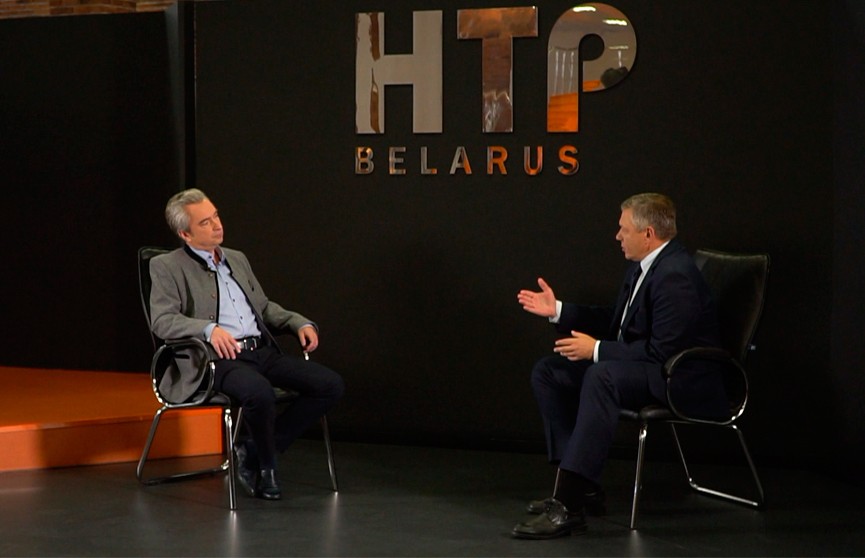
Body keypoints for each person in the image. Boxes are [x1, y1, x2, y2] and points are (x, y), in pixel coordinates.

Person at [512, 192, 727, 539]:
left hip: (679, 378)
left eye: (624, 229)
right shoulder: (644, 266)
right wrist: (559, 311)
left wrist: (596, 350)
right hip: (649, 367)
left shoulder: (675, 276)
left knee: (602, 375)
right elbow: (618, 322)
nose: (617, 236)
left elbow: (661, 353)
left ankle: (568, 505)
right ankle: (582, 487)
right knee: (549, 372)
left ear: (648, 234)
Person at [149, 188, 345, 501]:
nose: (217, 225)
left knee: (329, 385)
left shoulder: (236, 258)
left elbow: (262, 307)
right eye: (205, 222)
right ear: (185, 234)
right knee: (259, 393)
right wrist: (208, 329)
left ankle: (253, 450)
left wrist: (298, 322)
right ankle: (267, 468)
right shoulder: (166, 266)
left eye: (216, 216)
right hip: (217, 359)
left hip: (260, 352)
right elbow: (162, 321)